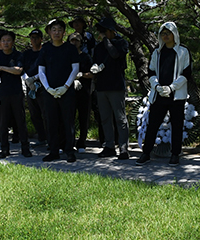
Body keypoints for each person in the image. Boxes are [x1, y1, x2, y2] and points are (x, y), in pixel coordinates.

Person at [136, 22, 190, 166]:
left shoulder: (183, 51)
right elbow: (151, 71)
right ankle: (146, 153)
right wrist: (157, 86)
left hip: (176, 95)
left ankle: (175, 154)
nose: (165, 36)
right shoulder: (157, 52)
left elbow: (186, 73)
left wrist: (172, 88)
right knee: (153, 124)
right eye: (163, 34)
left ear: (175, 34)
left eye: (168, 33)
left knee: (177, 125)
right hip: (159, 94)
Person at [37, 18, 80, 163]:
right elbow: (41, 70)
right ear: (49, 32)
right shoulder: (45, 49)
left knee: (68, 121)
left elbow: (75, 68)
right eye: (53, 29)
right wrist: (48, 88)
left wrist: (66, 86)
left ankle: (69, 150)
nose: (56, 32)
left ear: (64, 32)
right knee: (51, 121)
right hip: (49, 91)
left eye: (59, 30)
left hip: (66, 91)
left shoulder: (70, 48)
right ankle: (53, 150)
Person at [91, 16, 129, 159]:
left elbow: (115, 54)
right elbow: (95, 61)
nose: (101, 34)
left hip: (116, 85)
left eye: (104, 31)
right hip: (102, 86)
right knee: (105, 118)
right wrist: (95, 67)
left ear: (111, 30)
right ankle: (109, 146)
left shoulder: (122, 43)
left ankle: (123, 147)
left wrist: (106, 40)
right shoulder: (99, 47)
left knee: (120, 118)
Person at [0, 29, 31, 158]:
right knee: (3, 122)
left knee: (20, 121)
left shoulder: (18, 55)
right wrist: (9, 69)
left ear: (13, 42)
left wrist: (2, 68)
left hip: (16, 92)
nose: (6, 43)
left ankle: (25, 148)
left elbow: (18, 70)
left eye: (8, 40)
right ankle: (4, 149)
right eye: (3, 41)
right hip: (1, 93)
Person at [22, 28, 46, 145]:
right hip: (29, 86)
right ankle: (41, 137)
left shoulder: (45, 51)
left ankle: (50, 138)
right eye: (32, 37)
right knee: (34, 113)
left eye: (36, 38)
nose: (34, 40)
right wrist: (27, 80)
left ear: (41, 39)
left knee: (46, 113)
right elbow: (22, 67)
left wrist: (36, 78)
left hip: (43, 85)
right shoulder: (26, 53)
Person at [69, 32, 93, 154]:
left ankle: (82, 142)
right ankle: (70, 142)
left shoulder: (86, 57)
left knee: (84, 118)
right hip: (69, 92)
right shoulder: (66, 56)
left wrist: (81, 75)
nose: (74, 43)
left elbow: (92, 74)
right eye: (72, 40)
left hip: (84, 92)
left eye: (76, 40)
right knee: (69, 118)